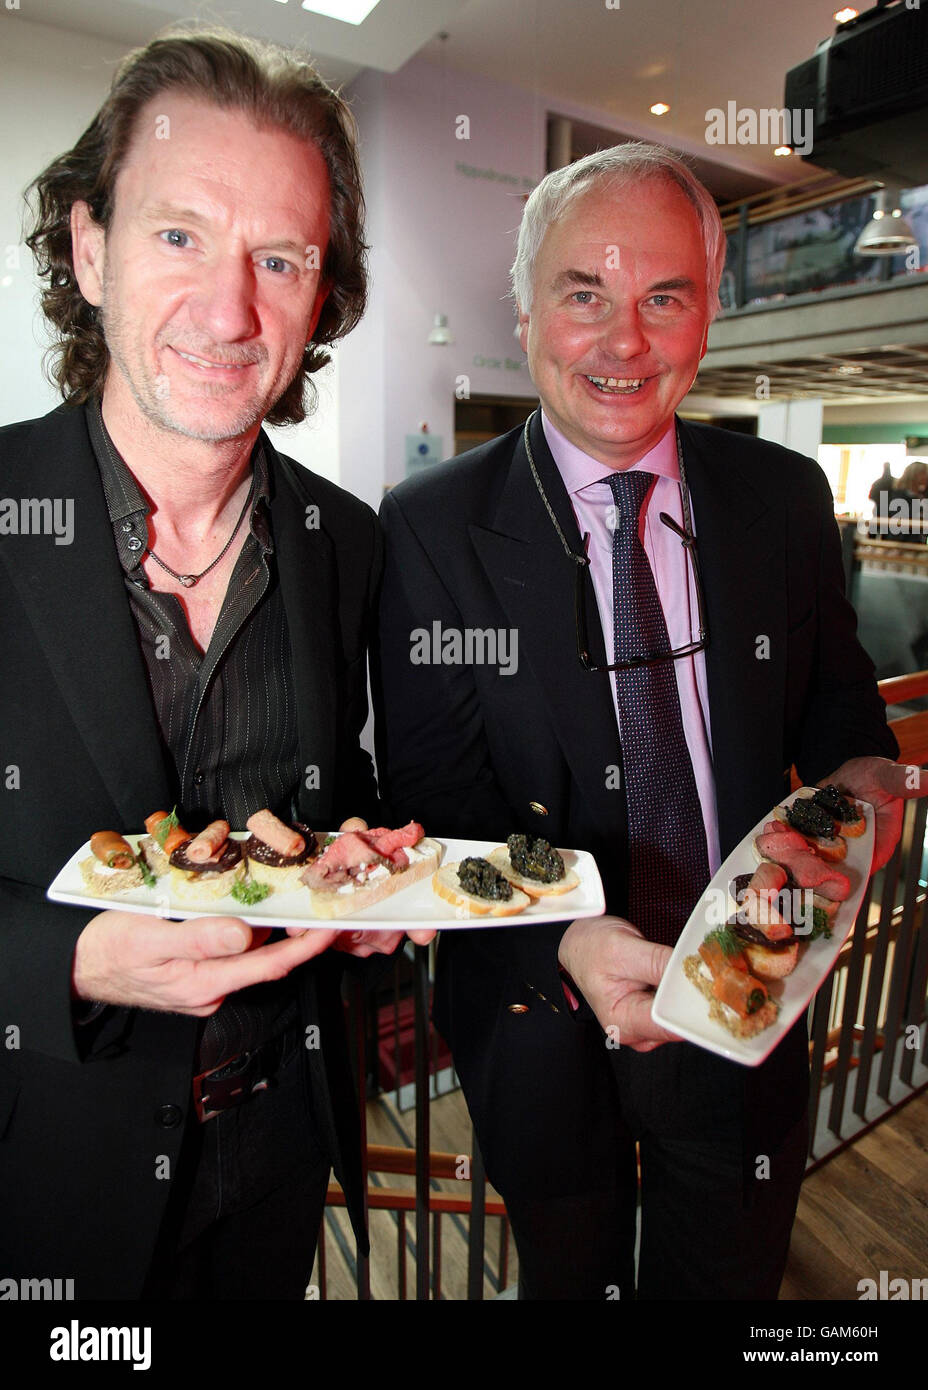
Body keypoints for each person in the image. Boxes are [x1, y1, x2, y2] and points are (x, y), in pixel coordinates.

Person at [373, 144, 913, 1300]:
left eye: (663, 297)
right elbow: (438, 803)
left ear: (707, 313)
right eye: (585, 295)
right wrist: (564, 935)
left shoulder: (781, 497)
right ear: (526, 312)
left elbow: (833, 696)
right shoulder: (425, 527)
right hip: (536, 1012)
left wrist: (867, 777)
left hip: (746, 991)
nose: (625, 343)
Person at [0, 28, 430, 1301]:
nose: (231, 310)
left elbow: (325, 777)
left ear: (322, 295)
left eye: (280, 259)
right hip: (43, 1192)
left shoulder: (344, 540)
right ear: (88, 249)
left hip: (279, 1158)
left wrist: (355, 856)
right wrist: (70, 958)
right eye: (178, 234)